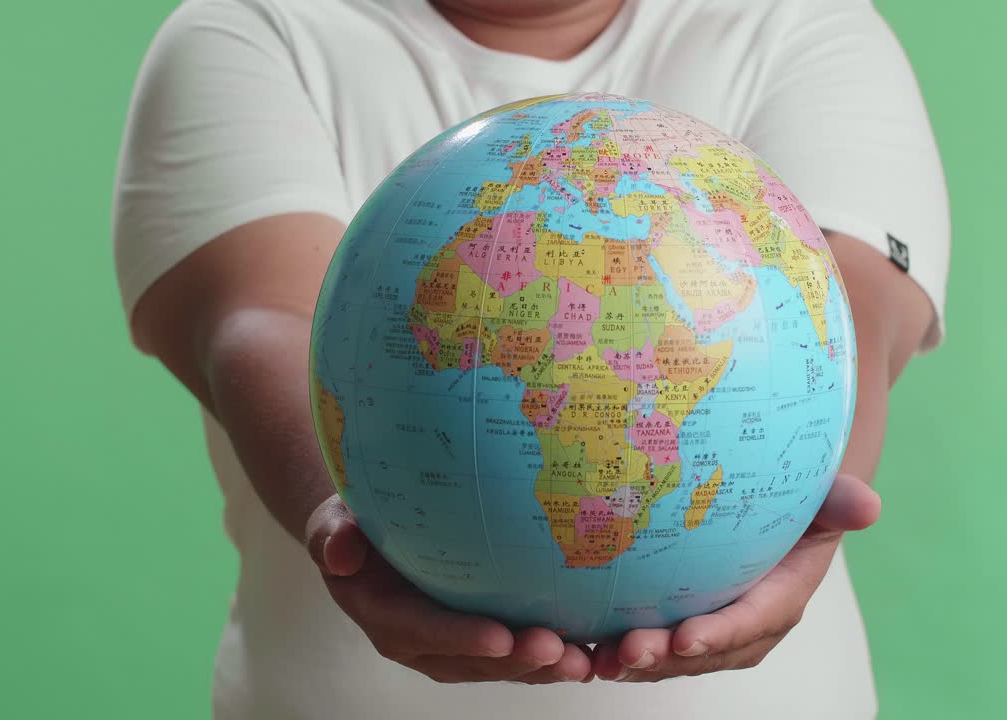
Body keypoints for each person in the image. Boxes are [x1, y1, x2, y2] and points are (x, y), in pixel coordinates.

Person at [112, 0, 949, 717]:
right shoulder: (254, 29)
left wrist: (796, 513)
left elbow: (847, 308)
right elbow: (258, 312)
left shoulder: (804, 26)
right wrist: (334, 511)